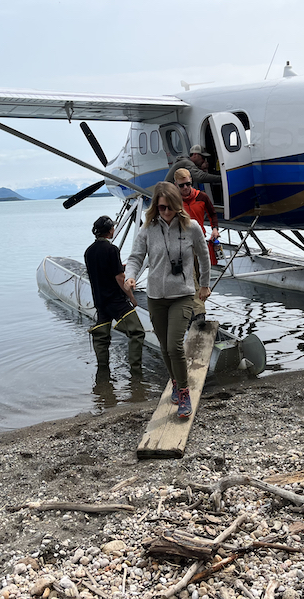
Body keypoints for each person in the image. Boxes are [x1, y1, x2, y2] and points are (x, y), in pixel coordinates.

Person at [124, 182, 211, 418]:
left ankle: (184, 393)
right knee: (164, 346)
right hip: (155, 297)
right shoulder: (148, 228)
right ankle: (174, 381)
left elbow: (204, 257)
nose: (165, 212)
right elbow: (135, 257)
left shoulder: (191, 227)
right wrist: (130, 277)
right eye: (161, 208)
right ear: (156, 207)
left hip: (182, 295)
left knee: (174, 346)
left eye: (169, 207)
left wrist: (204, 285)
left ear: (177, 205)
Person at [84, 215, 146, 375]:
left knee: (101, 337)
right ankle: (136, 373)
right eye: (112, 228)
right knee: (137, 332)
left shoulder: (88, 251)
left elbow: (100, 271)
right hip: (116, 301)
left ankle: (103, 374)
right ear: (110, 230)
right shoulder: (112, 250)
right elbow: (119, 277)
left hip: (100, 301)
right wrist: (131, 296)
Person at [173, 167, 220, 326]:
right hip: (182, 245)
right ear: (176, 185)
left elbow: (212, 213)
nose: (185, 188)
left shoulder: (202, 197)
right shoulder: (173, 200)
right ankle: (199, 315)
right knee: (190, 278)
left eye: (187, 184)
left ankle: (194, 311)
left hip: (199, 242)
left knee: (201, 277)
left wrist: (214, 228)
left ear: (191, 182)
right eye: (181, 186)